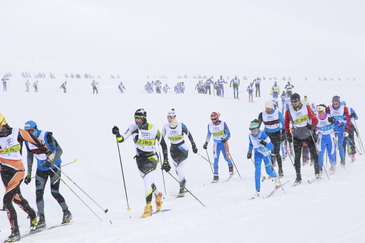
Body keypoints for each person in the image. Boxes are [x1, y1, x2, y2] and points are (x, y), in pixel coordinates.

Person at [0, 114, 53, 242]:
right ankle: (32, 214)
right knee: (16, 199)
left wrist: (48, 152)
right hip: (4, 172)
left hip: (17, 171)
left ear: (3, 123)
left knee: (7, 201)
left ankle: (15, 232)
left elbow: (35, 140)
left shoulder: (16, 132)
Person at [112, 108, 171, 218]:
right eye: (135, 119)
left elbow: (163, 144)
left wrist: (166, 160)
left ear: (144, 119)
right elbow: (121, 139)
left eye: (139, 119)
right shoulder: (133, 128)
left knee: (147, 182)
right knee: (146, 180)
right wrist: (117, 133)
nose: (137, 121)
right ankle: (158, 194)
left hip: (152, 158)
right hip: (140, 160)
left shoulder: (154, 129)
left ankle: (148, 208)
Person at [23, 120, 72, 229]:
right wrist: (29, 173)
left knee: (54, 192)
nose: (29, 133)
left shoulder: (46, 135)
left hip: (54, 167)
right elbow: (29, 156)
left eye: (31, 131)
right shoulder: (27, 140)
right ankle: (42, 220)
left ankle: (67, 212)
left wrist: (51, 161)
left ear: (36, 128)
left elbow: (60, 150)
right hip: (41, 168)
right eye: (27, 132)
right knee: (38, 194)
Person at [284, 93, 320, 185]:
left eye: (295, 101)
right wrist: (288, 134)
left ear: (299, 101)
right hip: (297, 135)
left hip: (307, 133)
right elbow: (286, 123)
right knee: (297, 157)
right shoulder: (288, 111)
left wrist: (312, 126)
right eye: (292, 102)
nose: (294, 103)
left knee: (314, 154)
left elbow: (315, 120)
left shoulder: (306, 107)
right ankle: (298, 177)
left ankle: (317, 173)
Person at [161, 109, 198, 197]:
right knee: (177, 170)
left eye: (171, 117)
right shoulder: (165, 126)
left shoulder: (181, 125)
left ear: (174, 117)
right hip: (173, 150)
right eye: (168, 117)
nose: (169, 119)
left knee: (180, 168)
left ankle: (181, 188)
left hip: (182, 148)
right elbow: (161, 138)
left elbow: (189, 134)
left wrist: (194, 145)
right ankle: (183, 181)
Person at [247, 119, 280, 199]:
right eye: (252, 131)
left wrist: (265, 143)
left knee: (268, 171)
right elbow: (251, 144)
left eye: (255, 130)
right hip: (257, 154)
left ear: (258, 129)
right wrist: (249, 152)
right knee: (257, 172)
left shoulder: (263, 135)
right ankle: (257, 191)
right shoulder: (250, 135)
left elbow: (271, 146)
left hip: (266, 154)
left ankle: (275, 176)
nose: (253, 132)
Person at [203, 112, 234, 183]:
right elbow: (209, 134)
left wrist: (225, 139)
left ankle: (230, 166)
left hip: (223, 143)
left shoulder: (223, 123)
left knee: (226, 158)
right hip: (216, 144)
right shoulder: (209, 125)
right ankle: (216, 176)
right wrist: (206, 143)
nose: (213, 121)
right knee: (215, 160)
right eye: (212, 119)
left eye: (214, 119)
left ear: (217, 118)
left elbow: (228, 134)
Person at [258, 101, 285, 177]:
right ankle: (272, 171)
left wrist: (283, 133)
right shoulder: (262, 114)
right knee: (270, 153)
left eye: (269, 109)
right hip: (268, 135)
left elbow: (283, 123)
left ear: (272, 108)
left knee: (276, 152)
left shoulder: (277, 113)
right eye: (267, 109)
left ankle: (280, 170)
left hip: (276, 134)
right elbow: (258, 125)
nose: (268, 110)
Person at [327, 96, 351, 166]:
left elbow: (348, 119)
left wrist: (347, 130)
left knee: (340, 145)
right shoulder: (328, 108)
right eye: (333, 103)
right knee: (333, 146)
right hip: (332, 129)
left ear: (339, 103)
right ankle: (333, 163)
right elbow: (324, 116)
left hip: (341, 129)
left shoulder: (344, 108)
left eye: (336, 103)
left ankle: (343, 161)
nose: (335, 105)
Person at [315, 105, 337, 173]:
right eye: (318, 112)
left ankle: (333, 166)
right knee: (321, 153)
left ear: (324, 111)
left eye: (321, 111)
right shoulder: (316, 118)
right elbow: (314, 126)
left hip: (330, 137)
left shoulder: (329, 116)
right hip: (322, 137)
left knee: (331, 153)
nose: (320, 113)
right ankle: (320, 169)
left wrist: (333, 120)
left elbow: (337, 123)